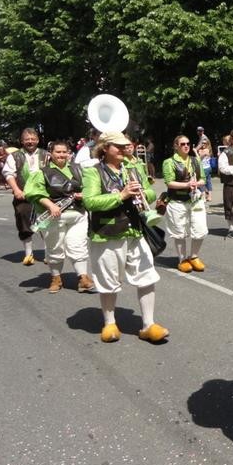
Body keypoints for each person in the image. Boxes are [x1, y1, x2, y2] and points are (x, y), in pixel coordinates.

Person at [82, 131, 168, 343]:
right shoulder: (93, 172)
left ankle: (148, 324)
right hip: (107, 234)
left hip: (135, 231)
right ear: (104, 149)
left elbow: (149, 193)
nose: (123, 150)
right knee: (109, 281)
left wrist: (141, 193)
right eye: (117, 147)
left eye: (124, 146)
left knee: (147, 276)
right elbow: (90, 202)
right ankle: (110, 323)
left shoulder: (132, 168)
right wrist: (121, 195)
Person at [25, 140, 95, 294]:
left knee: (78, 245)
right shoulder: (42, 172)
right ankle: (56, 278)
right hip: (54, 216)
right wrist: (50, 205)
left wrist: (84, 194)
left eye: (64, 152)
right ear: (51, 154)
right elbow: (34, 192)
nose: (62, 155)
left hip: (78, 214)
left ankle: (83, 278)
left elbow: (91, 187)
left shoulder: (79, 170)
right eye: (58, 152)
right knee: (55, 247)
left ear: (69, 154)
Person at [162, 134, 208, 272]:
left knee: (200, 229)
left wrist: (196, 183)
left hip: (195, 199)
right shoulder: (169, 162)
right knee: (180, 232)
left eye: (188, 143)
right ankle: (182, 259)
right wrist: (187, 184)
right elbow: (169, 182)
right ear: (176, 146)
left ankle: (194, 256)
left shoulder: (195, 160)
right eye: (182, 144)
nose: (186, 146)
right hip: (177, 201)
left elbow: (203, 179)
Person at [3, 128, 49, 265]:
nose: (30, 142)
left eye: (32, 139)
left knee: (46, 223)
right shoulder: (14, 156)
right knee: (23, 222)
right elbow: (8, 174)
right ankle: (29, 254)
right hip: (23, 195)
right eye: (27, 139)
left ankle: (48, 253)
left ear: (37, 140)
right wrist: (16, 190)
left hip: (43, 195)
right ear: (22, 141)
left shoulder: (46, 154)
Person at [195, 137, 214, 202]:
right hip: (205, 168)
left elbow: (198, 159)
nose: (203, 145)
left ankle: (204, 196)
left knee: (202, 182)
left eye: (205, 143)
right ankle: (209, 196)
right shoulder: (202, 150)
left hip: (205, 168)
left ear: (207, 144)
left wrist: (196, 151)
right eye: (202, 143)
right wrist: (198, 148)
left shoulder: (206, 150)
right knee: (208, 182)